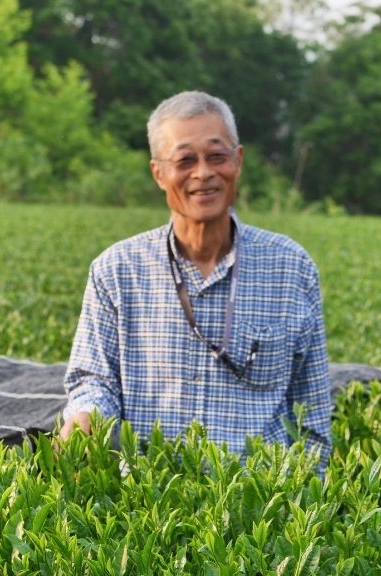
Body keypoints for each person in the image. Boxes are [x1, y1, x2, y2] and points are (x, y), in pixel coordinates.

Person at [60, 91, 331, 466]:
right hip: (150, 499)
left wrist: (310, 499)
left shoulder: (291, 268)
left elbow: (311, 407)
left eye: (216, 156)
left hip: (259, 508)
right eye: (185, 160)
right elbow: (94, 379)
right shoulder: (117, 270)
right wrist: (87, 414)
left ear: (238, 161)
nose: (203, 173)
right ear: (159, 173)